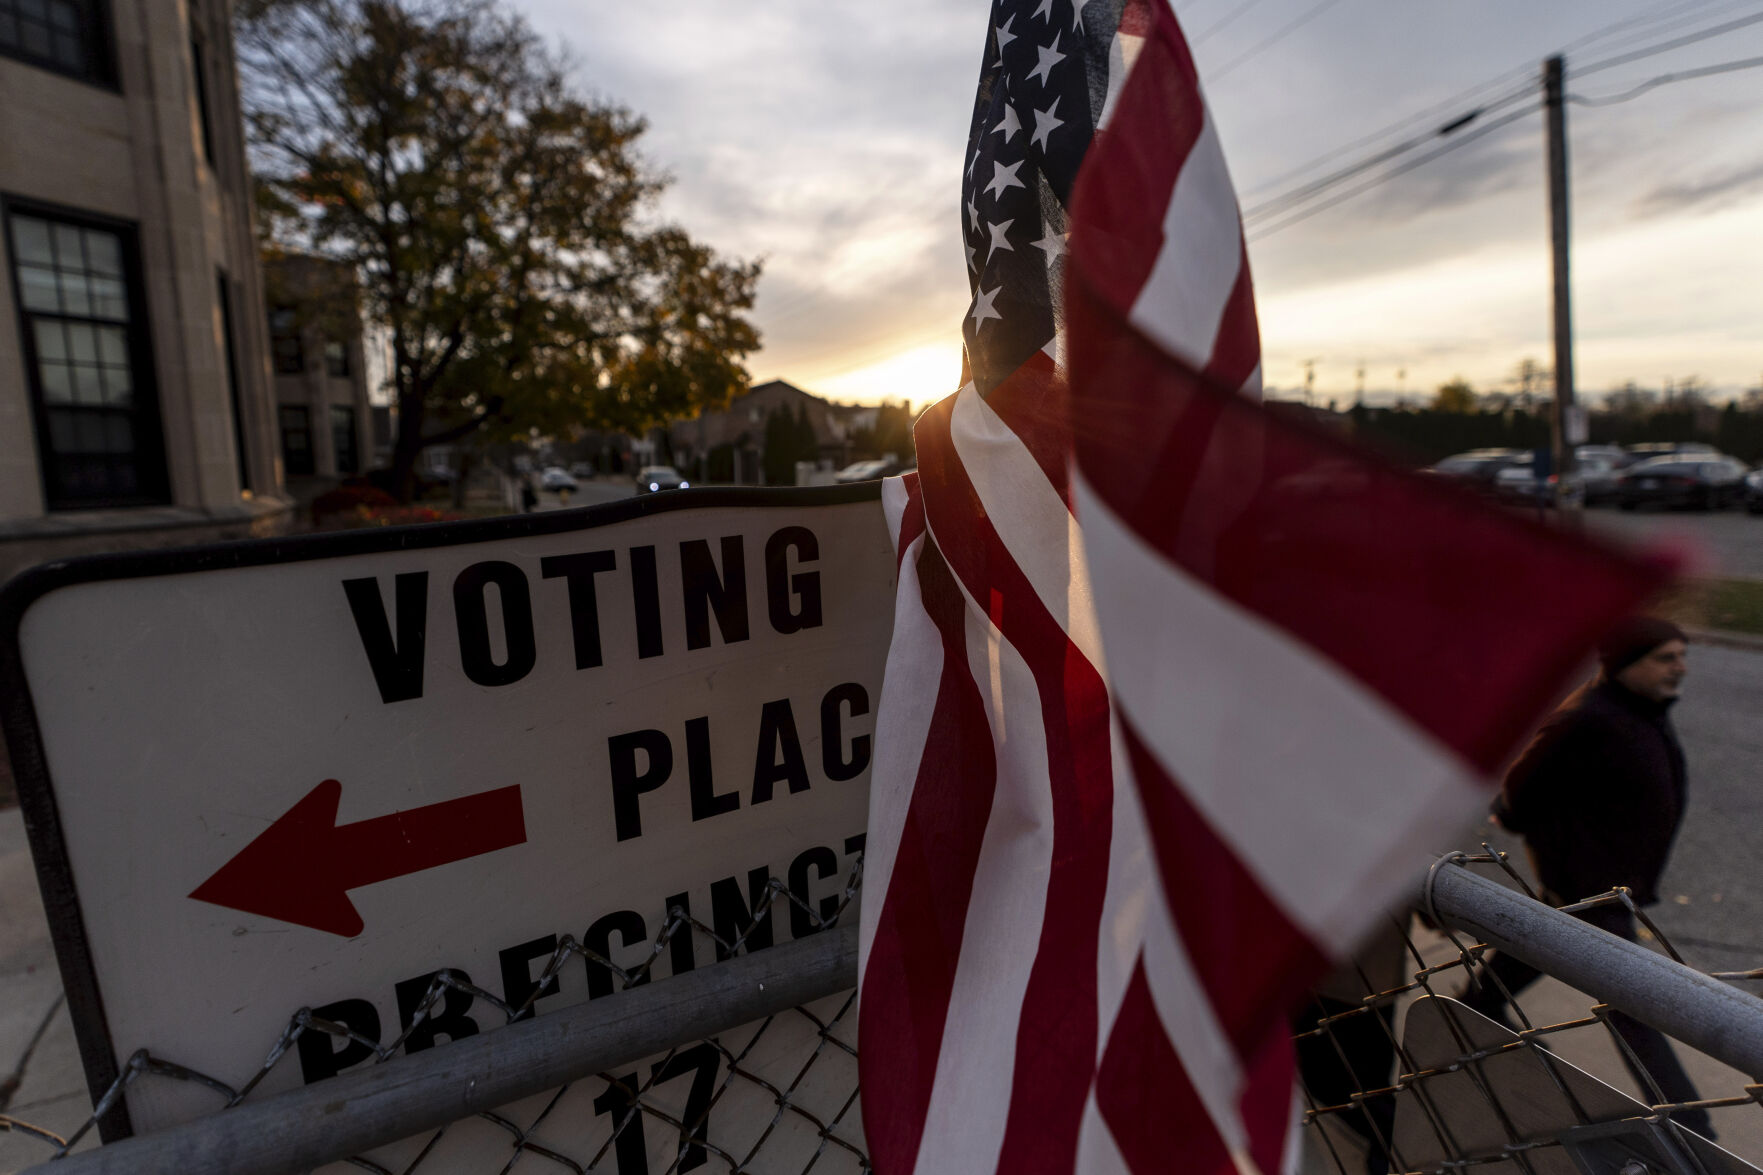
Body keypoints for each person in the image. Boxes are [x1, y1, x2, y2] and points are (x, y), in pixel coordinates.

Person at [1466, 616, 1712, 1136]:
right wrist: (1515, 818)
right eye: (1666, 658)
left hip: (1604, 889)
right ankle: (1693, 1131)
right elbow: (1519, 788)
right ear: (1625, 664)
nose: (1680, 668)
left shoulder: (1640, 712)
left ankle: (1472, 1018)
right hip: (1592, 892)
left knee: (1528, 952)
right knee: (1632, 1005)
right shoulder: (1586, 719)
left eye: (1681, 656)